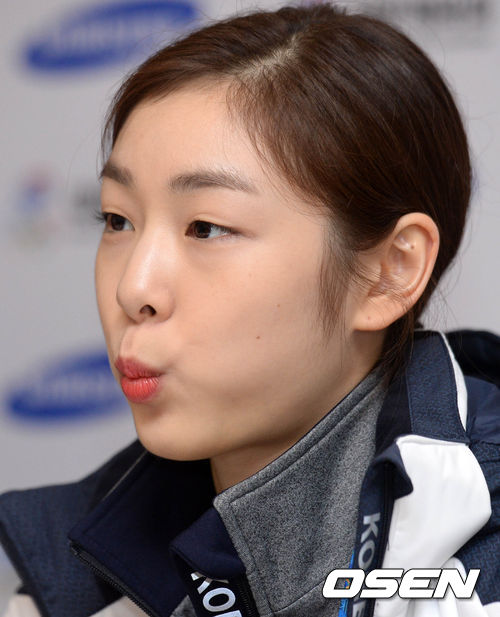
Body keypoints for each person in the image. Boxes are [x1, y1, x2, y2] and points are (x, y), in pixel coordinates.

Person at [1, 3, 499, 617]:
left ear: (387, 273)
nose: (134, 288)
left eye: (206, 227)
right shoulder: (70, 577)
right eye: (116, 219)